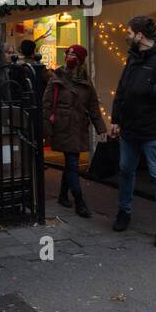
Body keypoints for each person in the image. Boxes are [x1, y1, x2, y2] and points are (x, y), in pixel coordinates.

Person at [108, 15, 156, 247]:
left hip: (153, 129)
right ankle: (124, 212)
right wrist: (115, 119)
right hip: (130, 128)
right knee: (125, 170)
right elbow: (121, 90)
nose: (127, 36)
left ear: (140, 35)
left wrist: (153, 89)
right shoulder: (133, 57)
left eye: (130, 32)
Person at [43, 44, 108, 218]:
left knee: (71, 163)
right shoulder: (56, 78)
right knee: (72, 164)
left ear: (81, 60)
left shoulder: (86, 82)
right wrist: (47, 130)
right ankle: (79, 201)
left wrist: (101, 129)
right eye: (68, 53)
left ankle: (63, 196)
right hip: (62, 127)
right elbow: (47, 105)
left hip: (79, 127)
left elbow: (93, 107)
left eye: (74, 54)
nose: (70, 56)